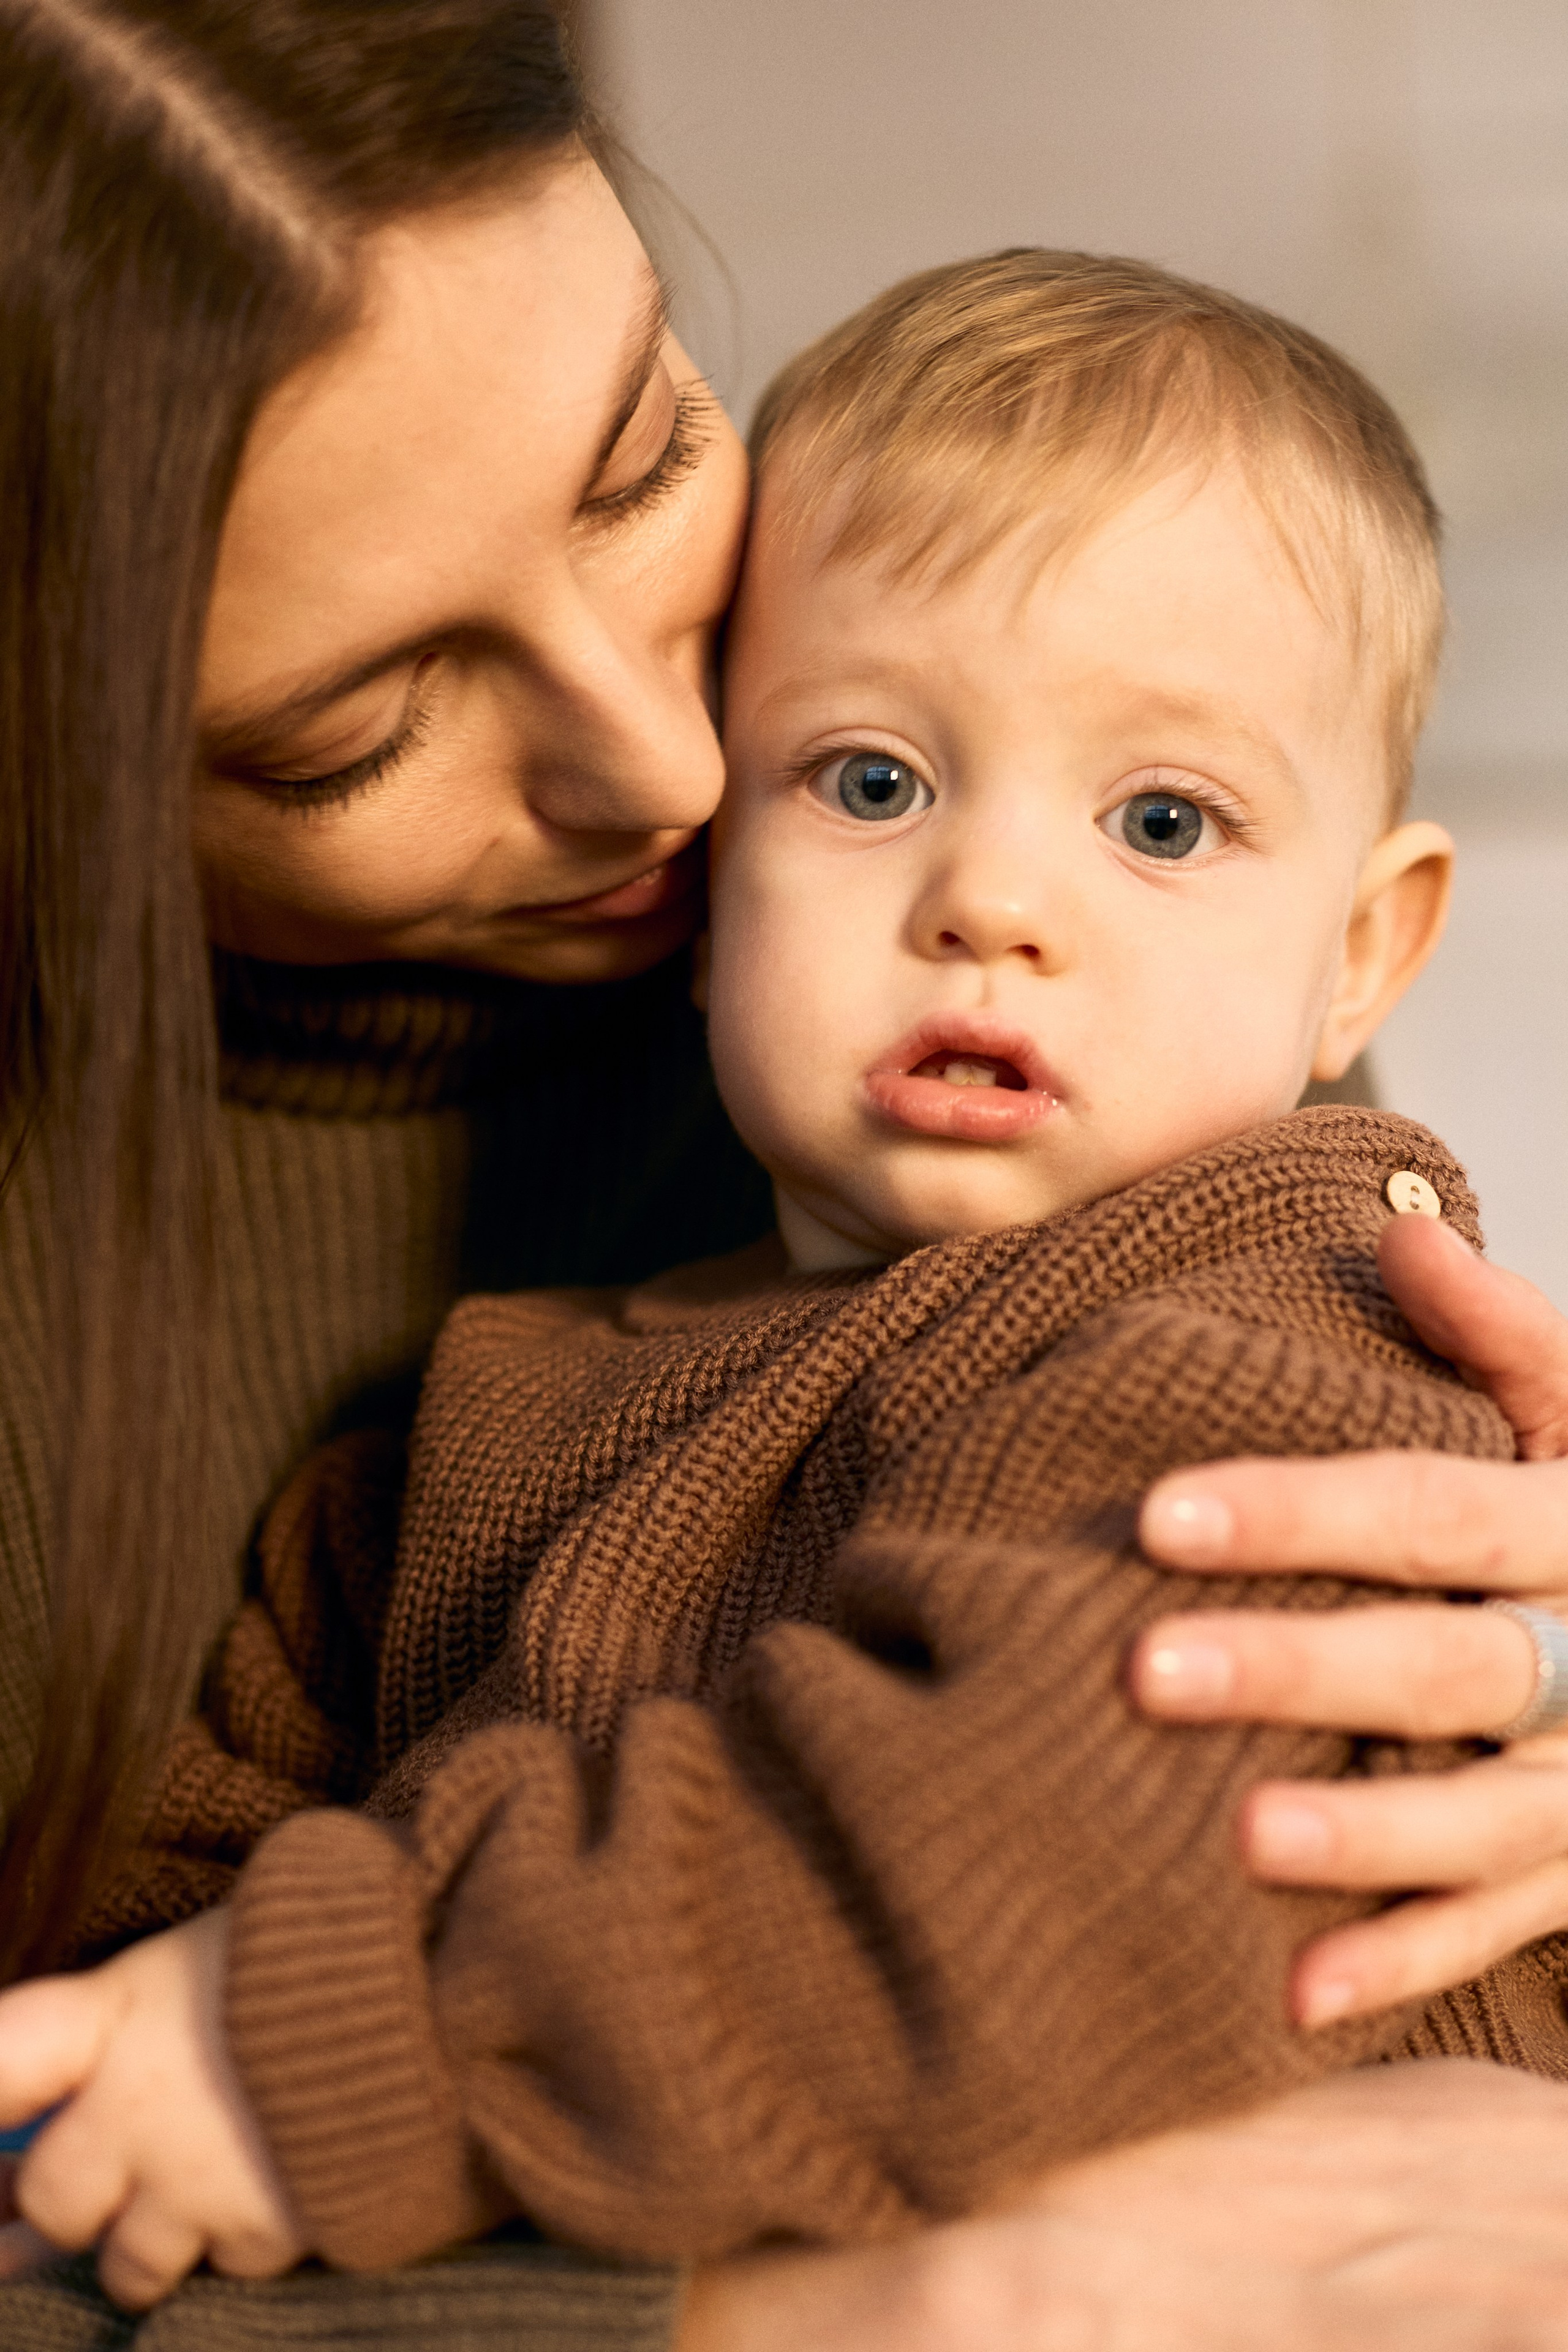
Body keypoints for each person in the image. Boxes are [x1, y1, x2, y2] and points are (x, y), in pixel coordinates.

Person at [2, 2, 1568, 2344]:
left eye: (639, 463)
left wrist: (335, 2037)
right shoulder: (477, 1422)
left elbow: (1030, 1828)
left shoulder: (1260, 1282)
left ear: (1364, 949)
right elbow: (188, 1910)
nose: (667, 771)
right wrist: (139, 2068)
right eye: (356, 720)